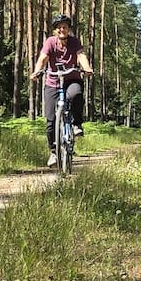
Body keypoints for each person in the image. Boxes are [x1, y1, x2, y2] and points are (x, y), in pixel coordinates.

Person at [30, 14, 94, 167]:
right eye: (59, 27)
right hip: (53, 81)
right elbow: (43, 58)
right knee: (51, 120)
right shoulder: (50, 42)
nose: (62, 29)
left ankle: (76, 124)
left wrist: (86, 68)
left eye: (65, 27)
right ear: (55, 30)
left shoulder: (74, 42)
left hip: (71, 79)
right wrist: (36, 71)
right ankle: (53, 151)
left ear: (68, 29)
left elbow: (81, 56)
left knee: (76, 94)